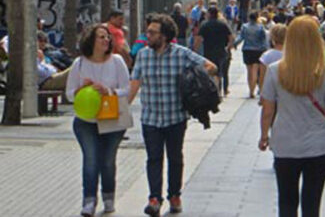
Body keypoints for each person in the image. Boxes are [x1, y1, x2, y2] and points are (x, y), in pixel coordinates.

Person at [129, 14, 217, 216]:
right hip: (150, 118)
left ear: (165, 35)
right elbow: (135, 82)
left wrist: (195, 80)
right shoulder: (143, 55)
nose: (147, 36)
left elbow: (211, 66)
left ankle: (174, 195)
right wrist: (122, 108)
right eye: (147, 31)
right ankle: (154, 199)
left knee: (175, 158)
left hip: (175, 117)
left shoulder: (181, 54)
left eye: (152, 32)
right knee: (153, 158)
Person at [259, 16, 325, 217]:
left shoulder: (275, 71)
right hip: (317, 146)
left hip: (285, 145)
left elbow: (268, 110)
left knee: (287, 201)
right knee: (312, 204)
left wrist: (264, 135)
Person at [65, 24, 130, 217]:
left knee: (108, 161)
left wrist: (109, 91)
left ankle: (109, 196)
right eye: (101, 37)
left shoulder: (117, 61)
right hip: (86, 120)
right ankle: (89, 201)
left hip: (111, 119)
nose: (106, 40)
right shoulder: (80, 63)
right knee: (91, 160)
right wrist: (79, 90)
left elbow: (127, 89)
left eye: (107, 37)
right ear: (91, 41)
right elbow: (69, 94)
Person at [195, 6, 233, 93]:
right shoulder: (223, 24)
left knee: (211, 71)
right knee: (219, 71)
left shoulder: (205, 25)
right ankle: (218, 90)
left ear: (209, 14)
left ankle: (215, 90)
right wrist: (228, 47)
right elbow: (231, 37)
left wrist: (195, 50)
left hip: (209, 51)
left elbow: (199, 39)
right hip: (221, 51)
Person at [235, 11, 268, 99]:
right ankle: (253, 89)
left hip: (247, 49)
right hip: (258, 50)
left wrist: (234, 44)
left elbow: (241, 37)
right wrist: (266, 49)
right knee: (255, 71)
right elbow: (264, 40)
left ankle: (251, 90)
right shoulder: (261, 27)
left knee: (249, 72)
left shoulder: (244, 27)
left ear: (249, 18)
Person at [259, 24, 287, 91]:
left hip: (270, 91)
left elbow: (262, 77)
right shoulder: (291, 54)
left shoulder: (266, 55)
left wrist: (262, 91)